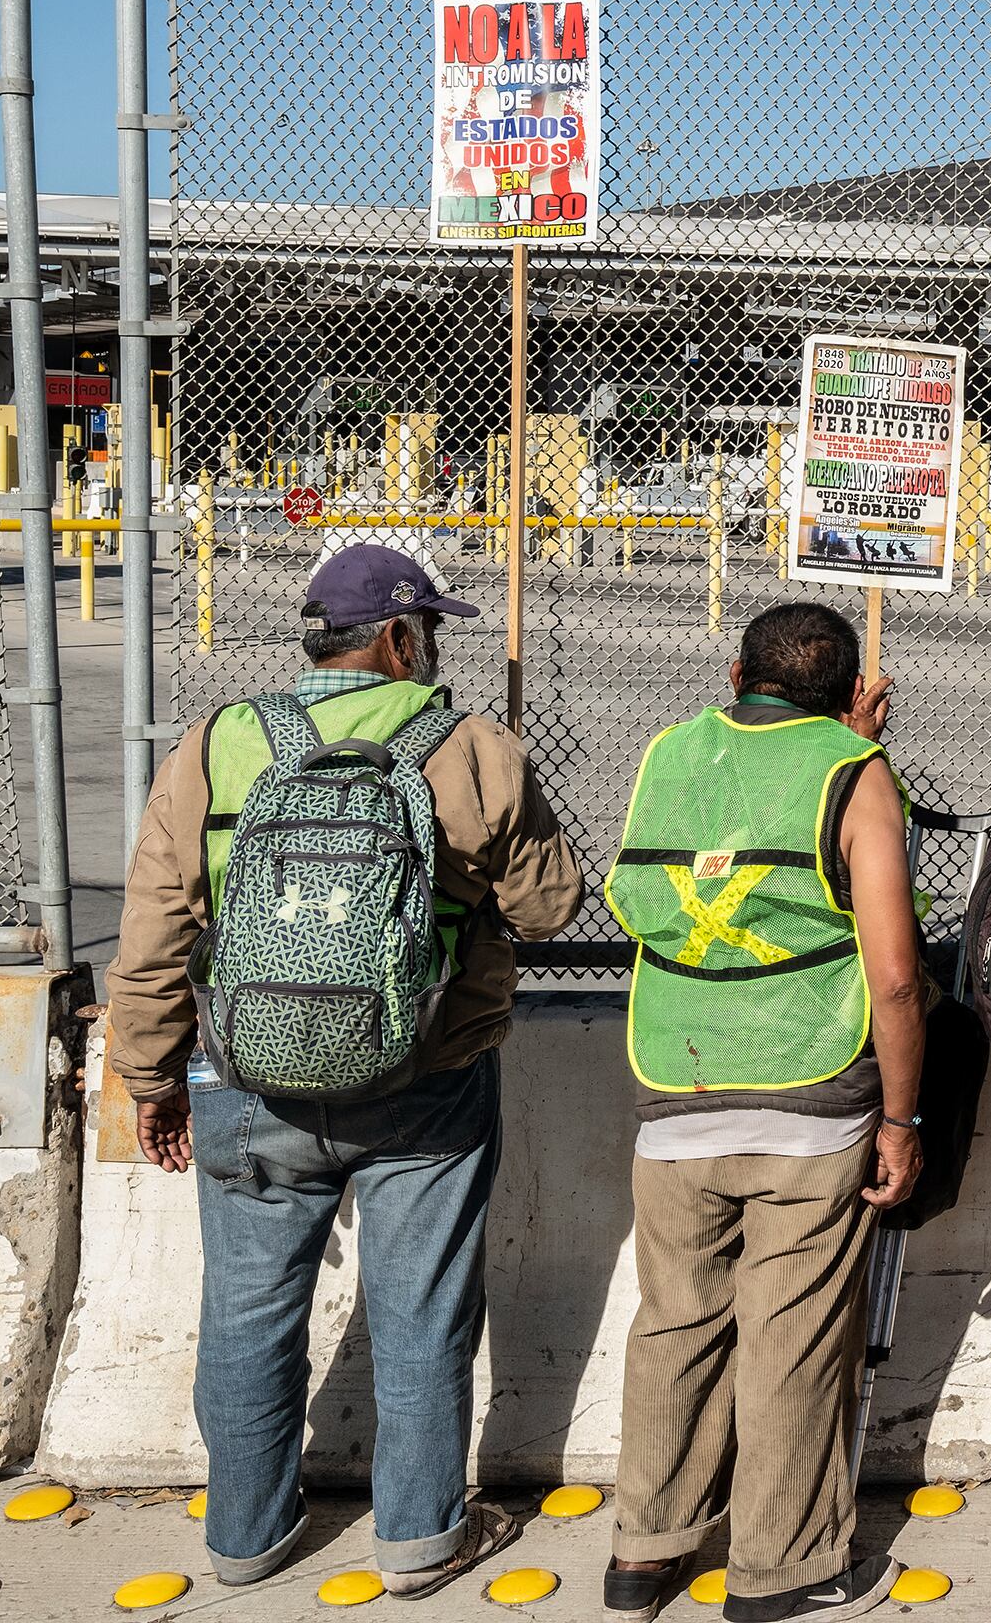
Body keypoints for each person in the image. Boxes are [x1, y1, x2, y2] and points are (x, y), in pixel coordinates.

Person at [109, 545, 581, 1596]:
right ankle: (418, 1540)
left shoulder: (220, 742)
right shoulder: (468, 744)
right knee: (423, 1309)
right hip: (427, 1080)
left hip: (245, 1079)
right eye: (433, 633)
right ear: (401, 638)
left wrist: (149, 1076)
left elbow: (151, 933)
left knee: (245, 1309)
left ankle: (244, 1535)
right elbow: (549, 907)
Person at [595, 603, 929, 1623]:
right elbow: (896, 973)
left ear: (736, 669)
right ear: (846, 693)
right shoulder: (855, 774)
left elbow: (720, 844)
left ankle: (643, 1550)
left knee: (675, 1327)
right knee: (790, 1339)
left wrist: (844, 748)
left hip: (676, 1081)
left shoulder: (671, 750)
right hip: (806, 1090)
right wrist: (903, 1118)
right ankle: (780, 1566)